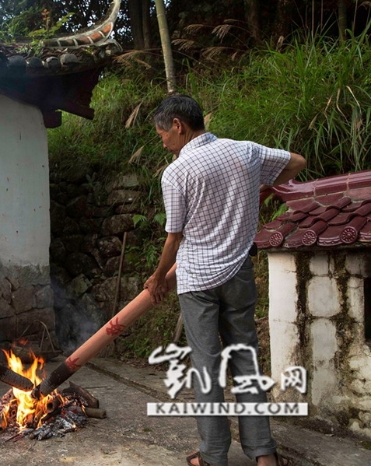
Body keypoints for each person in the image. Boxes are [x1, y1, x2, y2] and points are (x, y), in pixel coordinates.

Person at [144, 95, 306, 466]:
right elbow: (297, 162)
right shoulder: (245, 152)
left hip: (198, 280)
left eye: (162, 135)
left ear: (178, 126)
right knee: (246, 359)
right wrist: (259, 187)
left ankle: (213, 456)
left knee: (207, 366)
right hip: (238, 272)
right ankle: (263, 453)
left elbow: (174, 237)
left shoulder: (177, 172)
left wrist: (157, 278)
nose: (163, 142)